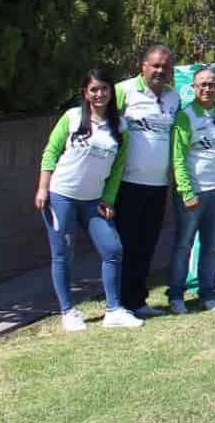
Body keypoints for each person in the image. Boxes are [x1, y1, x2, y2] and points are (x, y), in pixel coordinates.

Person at [36, 68, 141, 330]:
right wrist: (42, 188)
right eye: (93, 89)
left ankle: (114, 310)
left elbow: (118, 168)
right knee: (63, 254)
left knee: (113, 249)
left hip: (94, 202)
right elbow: (51, 152)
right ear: (85, 93)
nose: (99, 94)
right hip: (62, 196)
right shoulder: (71, 118)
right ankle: (68, 312)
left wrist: (108, 198)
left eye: (104, 88)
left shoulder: (120, 126)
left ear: (111, 91)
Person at [114, 44, 180, 318]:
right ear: (142, 66)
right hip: (127, 184)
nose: (160, 70)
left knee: (147, 244)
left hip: (158, 186)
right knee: (125, 245)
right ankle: (118, 303)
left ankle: (138, 301)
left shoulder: (174, 97)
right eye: (155, 65)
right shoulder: (123, 90)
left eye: (165, 66)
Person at [169, 65, 215, 313]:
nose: (207, 89)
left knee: (212, 247)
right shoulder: (185, 116)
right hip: (192, 193)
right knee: (184, 245)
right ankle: (176, 296)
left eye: (212, 84)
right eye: (202, 84)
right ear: (193, 88)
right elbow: (178, 158)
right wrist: (186, 191)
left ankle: (208, 294)